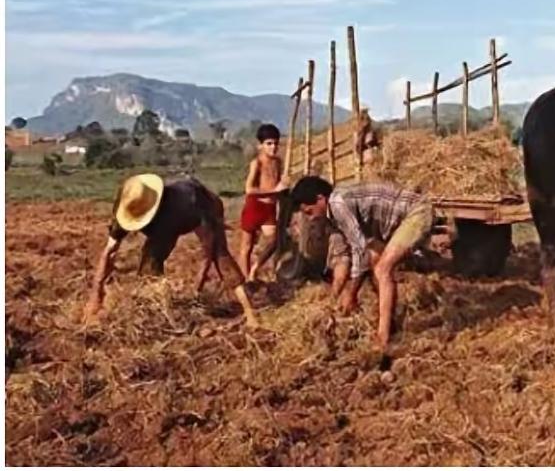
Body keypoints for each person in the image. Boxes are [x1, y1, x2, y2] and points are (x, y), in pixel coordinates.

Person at [83, 173, 259, 328]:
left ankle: (250, 314)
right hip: (175, 206)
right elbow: (109, 252)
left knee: (219, 256)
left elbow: (217, 253)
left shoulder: (182, 208)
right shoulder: (126, 207)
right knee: (149, 266)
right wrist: (95, 295)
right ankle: (154, 313)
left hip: (197, 207)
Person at [291, 176, 435, 357]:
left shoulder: (338, 203)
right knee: (374, 258)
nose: (310, 218)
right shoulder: (332, 215)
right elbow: (344, 257)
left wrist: (351, 293)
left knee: (383, 269)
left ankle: (382, 338)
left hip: (416, 212)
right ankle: (390, 323)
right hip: (396, 224)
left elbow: (359, 250)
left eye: (309, 212)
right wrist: (333, 299)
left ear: (321, 199)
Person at [239, 123, 287, 281]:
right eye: (269, 144)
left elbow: (279, 185)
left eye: (275, 143)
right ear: (260, 145)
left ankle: (255, 268)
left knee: (275, 240)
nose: (273, 147)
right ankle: (246, 281)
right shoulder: (257, 163)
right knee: (247, 246)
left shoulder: (278, 162)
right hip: (255, 206)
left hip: (270, 208)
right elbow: (249, 189)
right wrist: (274, 191)